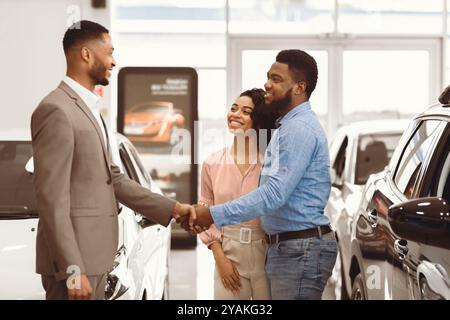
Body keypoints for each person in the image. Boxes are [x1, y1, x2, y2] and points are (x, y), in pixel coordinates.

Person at [31, 20, 195, 300]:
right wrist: (73, 269)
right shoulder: (56, 110)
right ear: (86, 54)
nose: (113, 61)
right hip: (76, 266)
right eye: (109, 52)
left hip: (98, 261)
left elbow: (114, 180)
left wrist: (175, 208)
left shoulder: (92, 111)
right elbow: (52, 199)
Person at [189, 49, 338, 300]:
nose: (268, 83)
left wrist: (212, 214)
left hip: (297, 249)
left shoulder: (297, 129)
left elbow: (274, 194)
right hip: (286, 248)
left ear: (299, 87)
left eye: (277, 79)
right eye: (268, 77)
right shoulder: (286, 128)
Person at [198, 89, 277, 300]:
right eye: (233, 108)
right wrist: (220, 258)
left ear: (258, 120)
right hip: (228, 252)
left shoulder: (270, 165)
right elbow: (204, 213)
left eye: (245, 111)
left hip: (267, 251)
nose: (235, 114)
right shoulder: (212, 163)